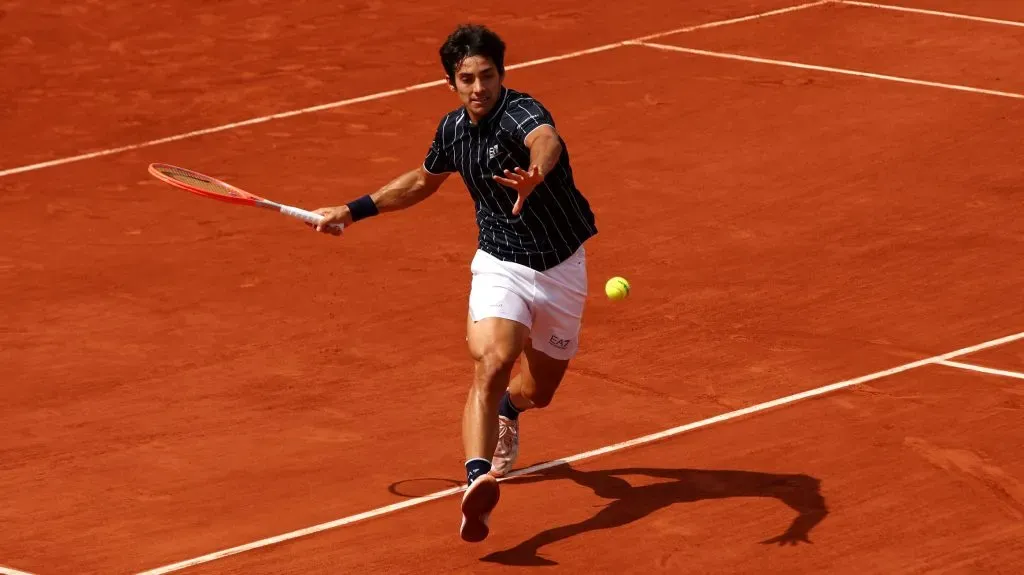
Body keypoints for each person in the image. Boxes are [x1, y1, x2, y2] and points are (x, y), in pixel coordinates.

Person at [309, 23, 598, 543]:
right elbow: (422, 181)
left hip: (561, 267)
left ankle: (511, 412)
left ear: (502, 75)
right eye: (467, 78)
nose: (479, 87)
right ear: (452, 83)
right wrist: (351, 212)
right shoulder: (452, 131)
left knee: (541, 389)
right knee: (492, 359)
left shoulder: (522, 112)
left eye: (487, 76)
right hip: (500, 262)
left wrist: (535, 173)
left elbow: (546, 140)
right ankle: (477, 479)